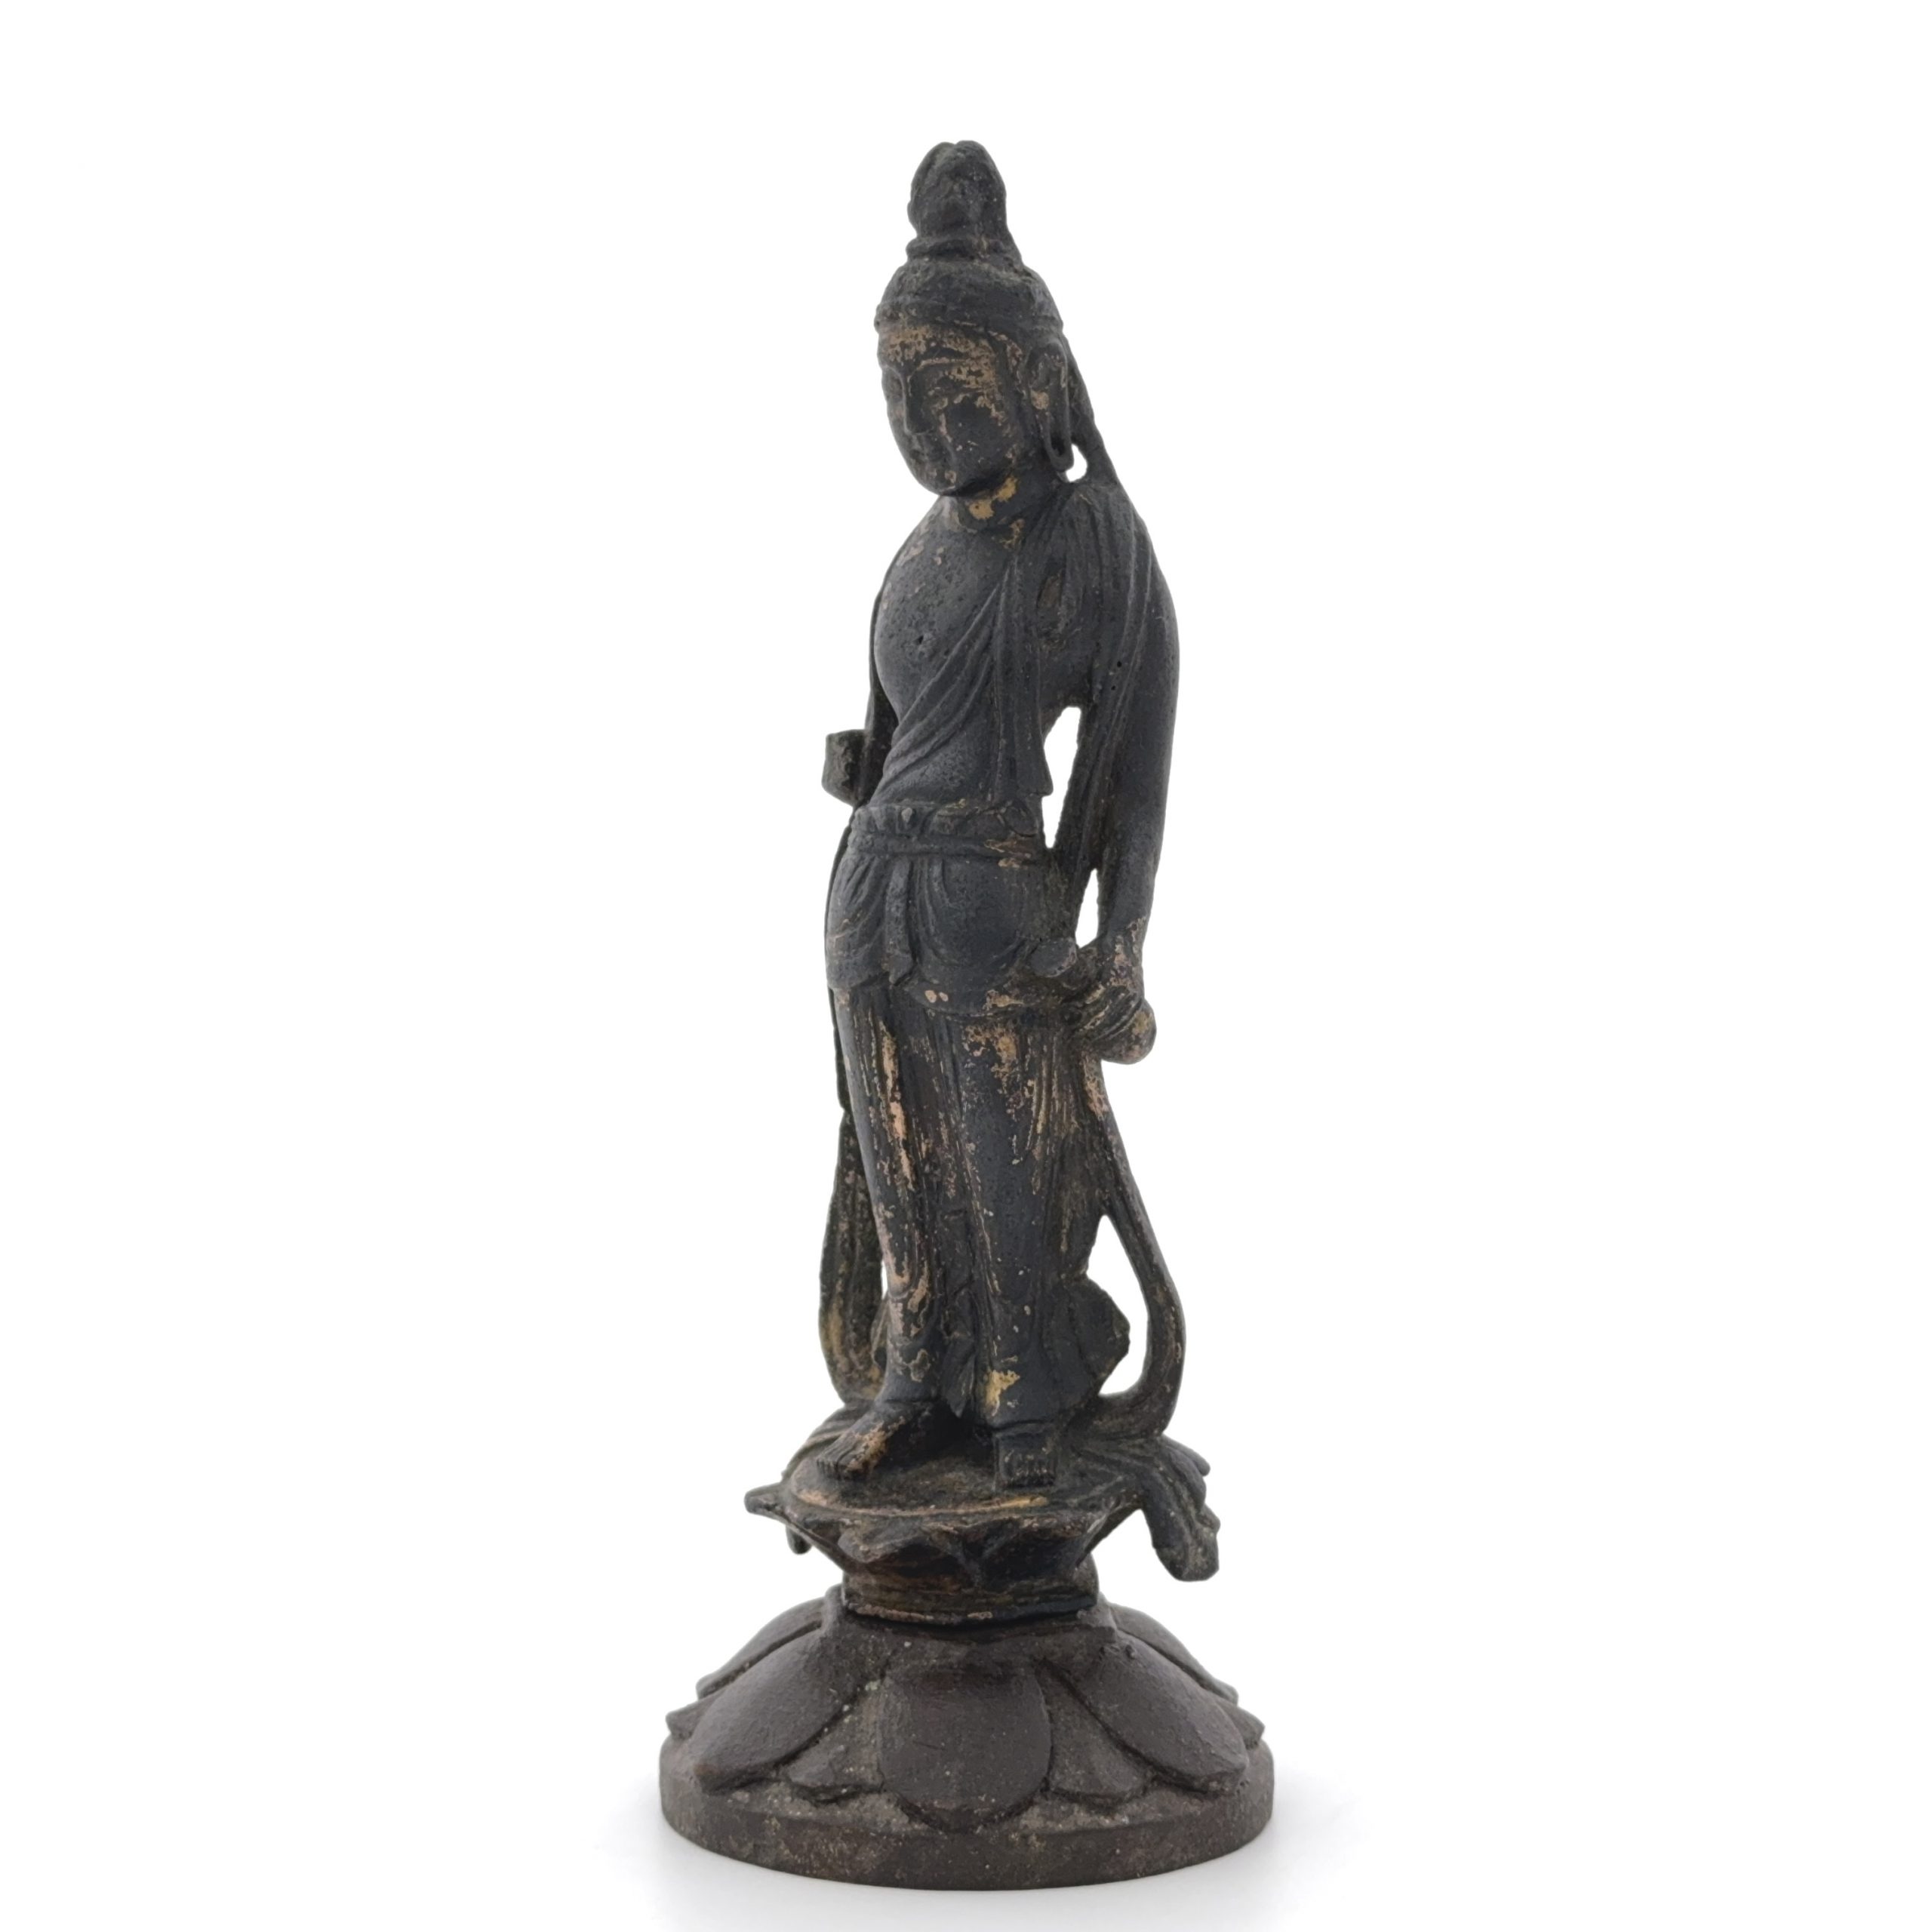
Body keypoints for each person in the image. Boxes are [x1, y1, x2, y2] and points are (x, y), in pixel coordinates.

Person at [819, 143, 1178, 1491]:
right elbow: (898, 731)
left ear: (1035, 383)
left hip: (989, 892)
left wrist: (1122, 937)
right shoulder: (918, 550)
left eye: (950, 388)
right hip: (873, 886)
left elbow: (1131, 770)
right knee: (893, 1144)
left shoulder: (1092, 541)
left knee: (1004, 1149)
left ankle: (1028, 1387)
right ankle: (918, 1376)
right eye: (898, 392)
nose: (921, 424)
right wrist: (865, 761)